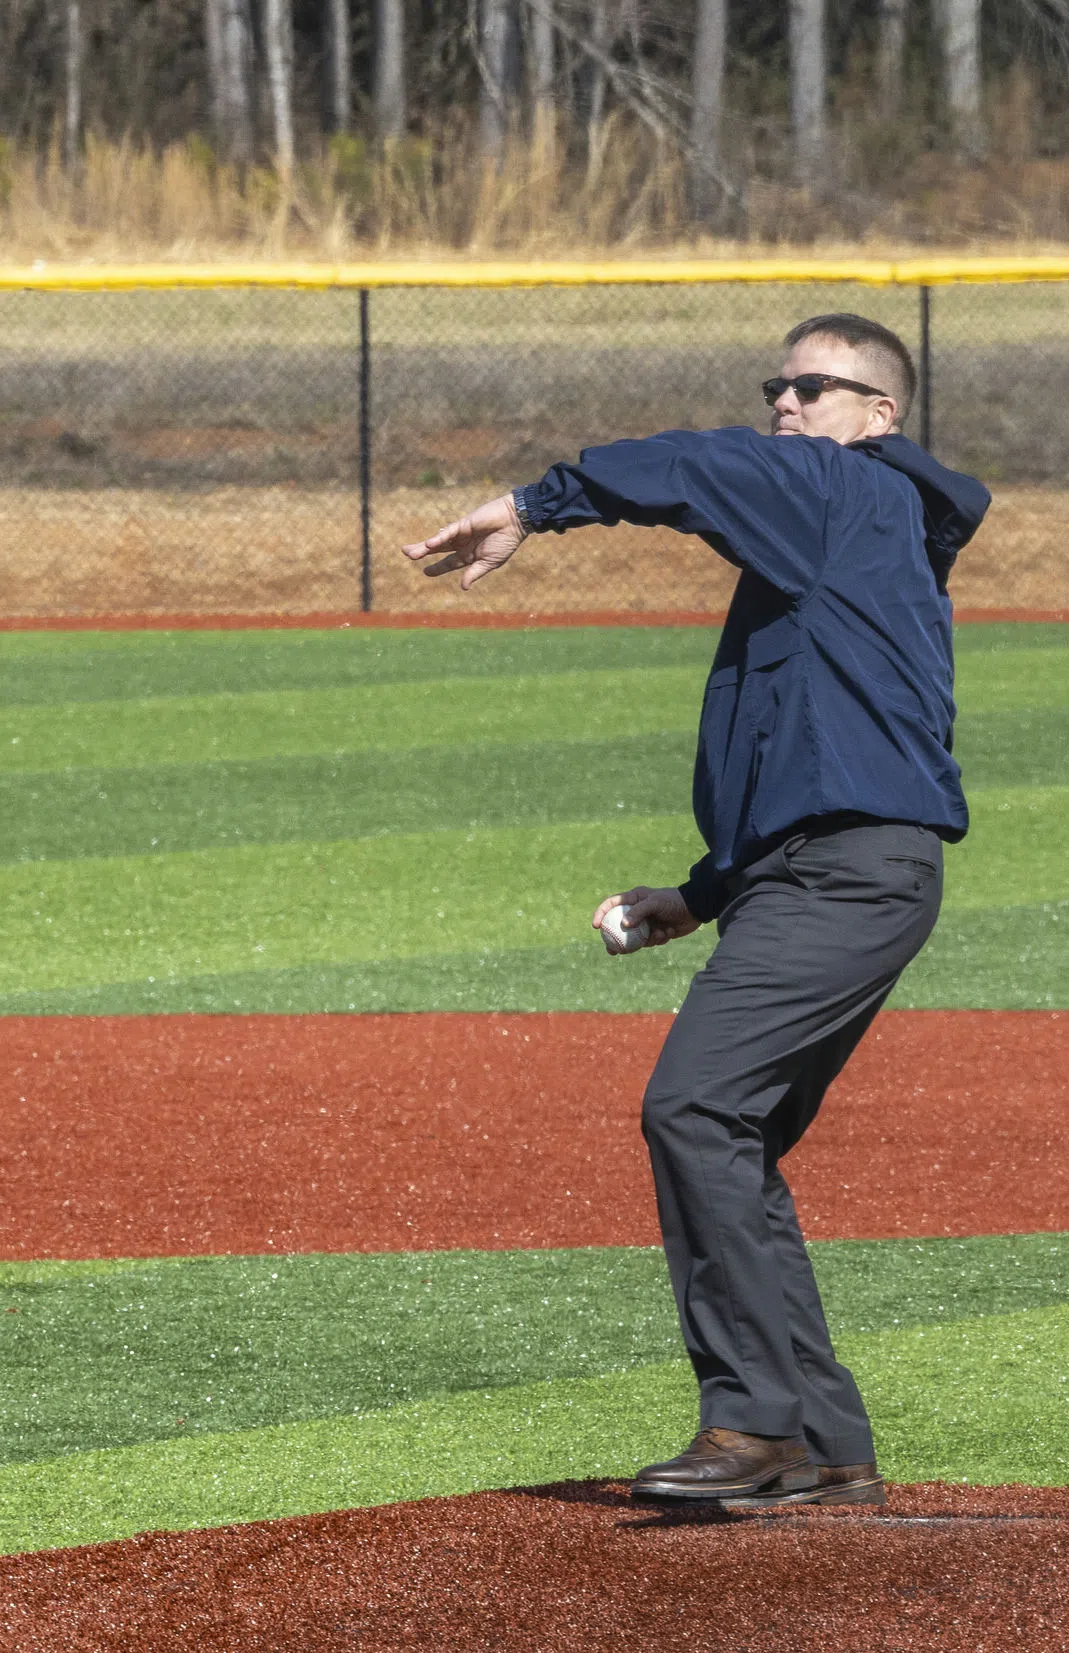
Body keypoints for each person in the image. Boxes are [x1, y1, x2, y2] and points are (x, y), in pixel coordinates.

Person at [402, 311, 988, 1512]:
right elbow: (825, 747)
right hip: (822, 872)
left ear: (880, 417)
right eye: (777, 383)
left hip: (847, 875)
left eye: (816, 388)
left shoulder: (849, 496)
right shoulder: (840, 544)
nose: (787, 403)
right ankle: (825, 1445)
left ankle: (753, 1425)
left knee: (694, 1104)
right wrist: (703, 894)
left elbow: (696, 465)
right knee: (734, 1139)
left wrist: (536, 502)